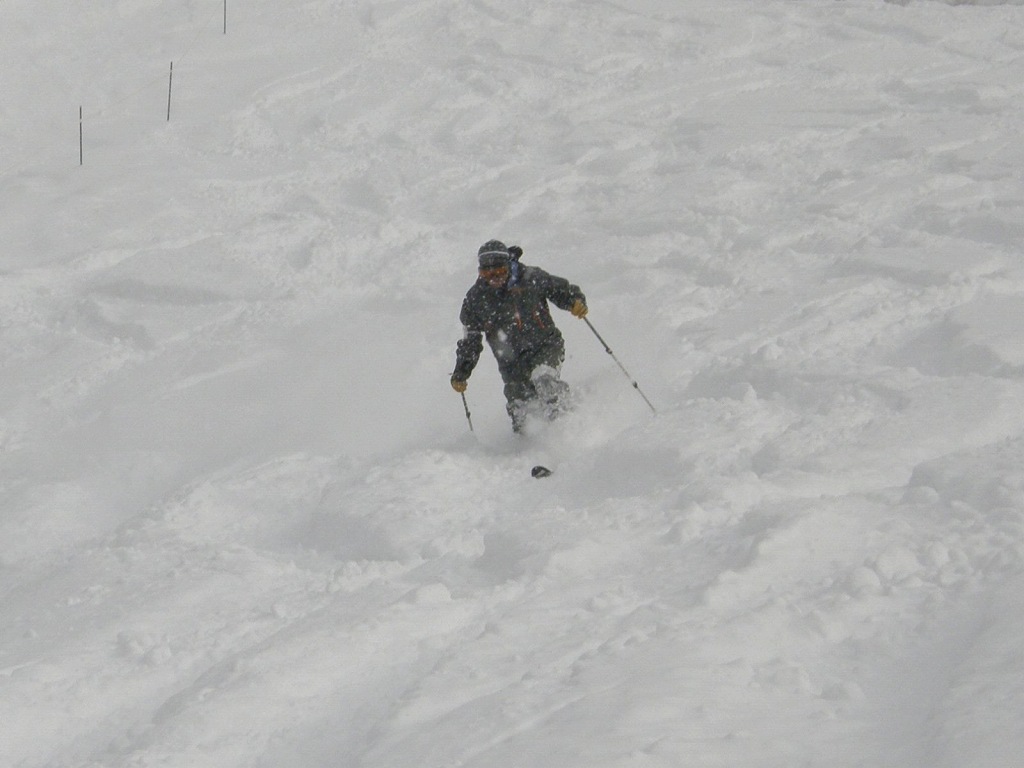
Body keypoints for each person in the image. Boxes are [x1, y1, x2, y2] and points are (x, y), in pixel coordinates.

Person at [450, 240, 588, 432]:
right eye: (487, 274)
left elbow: (560, 290)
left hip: (545, 345)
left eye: (499, 271)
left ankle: (569, 425)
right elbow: (470, 342)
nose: (494, 278)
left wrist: (575, 301)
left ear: (508, 265)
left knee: (544, 380)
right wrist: (462, 371)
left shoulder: (530, 278)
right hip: (511, 363)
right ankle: (528, 443)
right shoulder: (475, 300)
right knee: (520, 407)